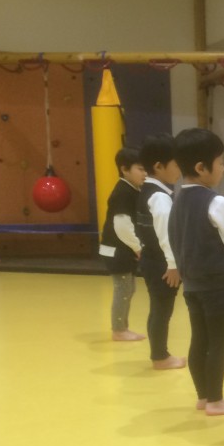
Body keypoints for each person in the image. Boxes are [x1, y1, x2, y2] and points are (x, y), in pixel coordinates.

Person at [167, 128, 224, 416]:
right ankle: (216, 400)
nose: (223, 169)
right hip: (217, 287)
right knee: (218, 343)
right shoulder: (216, 202)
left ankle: (204, 396)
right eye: (220, 163)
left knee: (199, 340)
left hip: (193, 286)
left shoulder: (177, 202)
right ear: (202, 168)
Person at [137, 134, 186, 370]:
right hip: (162, 264)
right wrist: (173, 265)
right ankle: (160, 356)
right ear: (158, 166)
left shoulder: (147, 190)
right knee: (162, 309)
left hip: (152, 259)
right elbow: (167, 233)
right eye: (176, 164)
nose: (180, 170)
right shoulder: (159, 197)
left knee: (158, 308)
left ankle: (159, 354)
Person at [99, 146, 146, 342]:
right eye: (140, 169)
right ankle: (119, 330)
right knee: (123, 288)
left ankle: (122, 327)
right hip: (116, 250)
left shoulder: (131, 190)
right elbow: (122, 225)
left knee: (128, 287)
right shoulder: (123, 193)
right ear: (125, 169)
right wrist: (138, 247)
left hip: (120, 249)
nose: (144, 173)